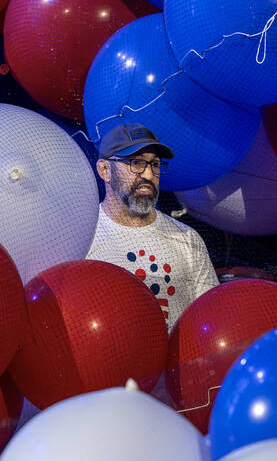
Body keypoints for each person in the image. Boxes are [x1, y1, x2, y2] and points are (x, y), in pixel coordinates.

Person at [85, 122, 218, 328]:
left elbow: (211, 320)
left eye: (154, 165)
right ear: (104, 170)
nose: (148, 175)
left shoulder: (186, 239)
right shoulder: (81, 234)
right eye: (136, 163)